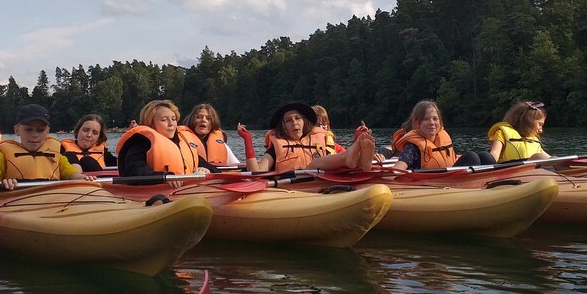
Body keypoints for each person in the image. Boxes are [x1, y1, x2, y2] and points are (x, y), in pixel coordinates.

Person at [0, 104, 96, 191]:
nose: (34, 135)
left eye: (40, 130)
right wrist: (0, 186)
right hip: (15, 203)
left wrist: (84, 178)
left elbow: (73, 175)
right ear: (17, 130)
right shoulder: (2, 157)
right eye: (28, 129)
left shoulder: (57, 157)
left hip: (52, 202)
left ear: (47, 131)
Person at [238, 102, 376, 174]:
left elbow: (344, 156)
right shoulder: (276, 147)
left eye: (298, 118)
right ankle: (357, 154)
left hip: (326, 179)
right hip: (296, 185)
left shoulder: (320, 138)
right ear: (284, 126)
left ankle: (363, 161)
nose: (294, 123)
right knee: (315, 164)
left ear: (304, 122)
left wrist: (371, 154)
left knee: (348, 158)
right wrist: (247, 140)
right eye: (288, 120)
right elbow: (256, 171)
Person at [115, 100, 215, 182]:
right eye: (164, 120)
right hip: (154, 192)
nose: (171, 124)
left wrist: (206, 170)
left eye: (173, 119)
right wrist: (165, 177)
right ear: (150, 123)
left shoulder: (182, 142)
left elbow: (212, 169)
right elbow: (133, 170)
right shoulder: (140, 142)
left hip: (183, 190)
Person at [392, 100, 495, 170]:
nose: (432, 123)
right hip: (433, 183)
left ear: (440, 122)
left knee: (486, 157)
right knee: (471, 157)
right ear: (416, 123)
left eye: (435, 119)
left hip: (450, 177)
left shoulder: (443, 138)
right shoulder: (412, 148)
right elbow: (398, 169)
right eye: (426, 119)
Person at [487, 101, 551, 163]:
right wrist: (486, 159)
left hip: (533, 168)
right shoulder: (502, 134)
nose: (541, 130)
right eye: (540, 124)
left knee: (542, 157)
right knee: (538, 157)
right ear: (527, 121)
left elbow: (549, 159)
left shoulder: (534, 140)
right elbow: (494, 156)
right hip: (511, 168)